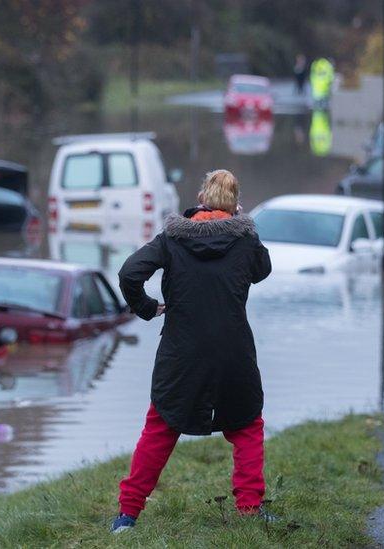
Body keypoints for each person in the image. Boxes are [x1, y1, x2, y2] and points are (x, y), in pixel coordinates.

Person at [110, 169, 273, 533]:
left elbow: (129, 272)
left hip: (181, 354)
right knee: (247, 427)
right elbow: (262, 270)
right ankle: (249, 508)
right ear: (235, 204)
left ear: (201, 199)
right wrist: (244, 226)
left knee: (160, 428)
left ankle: (127, 516)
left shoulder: (172, 238)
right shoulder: (245, 240)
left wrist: (148, 308)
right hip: (233, 352)